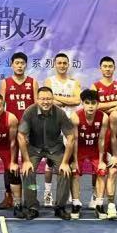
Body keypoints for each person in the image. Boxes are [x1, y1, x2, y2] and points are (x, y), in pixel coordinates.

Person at [17, 87, 74, 220]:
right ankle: (32, 206)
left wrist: (65, 162)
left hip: (55, 148)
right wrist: (26, 161)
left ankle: (60, 207)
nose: (46, 102)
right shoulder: (29, 112)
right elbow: (21, 135)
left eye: (48, 99)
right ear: (37, 100)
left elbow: (71, 137)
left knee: (65, 171)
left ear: (53, 99)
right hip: (34, 148)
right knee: (28, 171)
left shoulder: (60, 113)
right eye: (42, 99)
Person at [43, 53, 81, 206]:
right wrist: (66, 101)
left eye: (65, 63)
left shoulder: (74, 82)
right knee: (49, 162)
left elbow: (77, 100)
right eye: (59, 63)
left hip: (69, 125)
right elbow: (47, 101)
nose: (62, 65)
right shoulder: (49, 81)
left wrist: (57, 99)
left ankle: (71, 194)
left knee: (69, 161)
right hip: (52, 124)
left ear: (68, 65)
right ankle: (47, 193)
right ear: (54, 64)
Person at [0, 51, 36, 208]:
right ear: (12, 65)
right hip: (11, 129)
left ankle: (30, 197)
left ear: (26, 65)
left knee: (30, 164)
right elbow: (0, 107)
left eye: (22, 63)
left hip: (28, 130)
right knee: (10, 163)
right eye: (17, 63)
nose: (20, 66)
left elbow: (37, 107)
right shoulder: (5, 83)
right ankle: (9, 195)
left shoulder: (32, 82)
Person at [90, 56, 117, 210]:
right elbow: (93, 107)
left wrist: (104, 106)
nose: (108, 69)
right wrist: (114, 104)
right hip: (100, 130)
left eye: (110, 66)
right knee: (98, 164)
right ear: (100, 68)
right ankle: (95, 195)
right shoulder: (95, 86)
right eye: (105, 66)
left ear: (114, 68)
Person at [69, 89, 108, 219]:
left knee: (102, 171)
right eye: (87, 103)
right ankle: (75, 204)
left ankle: (99, 204)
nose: (90, 106)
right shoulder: (75, 117)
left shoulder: (104, 117)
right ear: (82, 103)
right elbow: (74, 140)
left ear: (98, 104)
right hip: (79, 149)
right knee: (74, 172)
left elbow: (101, 139)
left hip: (95, 150)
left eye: (93, 103)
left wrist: (101, 161)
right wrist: (74, 160)